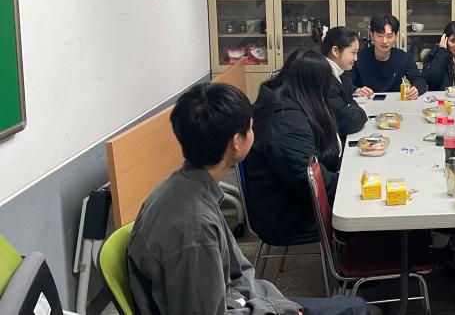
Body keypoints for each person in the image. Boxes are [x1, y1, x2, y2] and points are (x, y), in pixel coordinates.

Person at [127, 82, 368, 315]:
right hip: (236, 305)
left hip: (241, 299)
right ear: (236, 143)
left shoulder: (181, 187)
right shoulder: (194, 228)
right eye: (251, 128)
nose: (254, 133)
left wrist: (272, 303)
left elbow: (235, 276)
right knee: (355, 308)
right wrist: (278, 308)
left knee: (351, 306)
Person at [245, 49, 342, 245]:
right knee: (372, 213)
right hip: (287, 217)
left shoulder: (286, 103)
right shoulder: (286, 122)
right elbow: (308, 180)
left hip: (291, 201)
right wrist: (349, 183)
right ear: (313, 84)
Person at [347, 14, 426, 99]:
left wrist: (416, 89)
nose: (385, 41)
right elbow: (345, 82)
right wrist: (356, 90)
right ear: (372, 35)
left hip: (394, 102)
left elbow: (419, 80)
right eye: (380, 36)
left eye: (389, 36)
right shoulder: (358, 57)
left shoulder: (404, 57)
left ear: (396, 36)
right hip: (366, 102)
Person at [323, 27, 371, 140]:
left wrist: (354, 110)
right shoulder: (325, 78)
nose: (356, 58)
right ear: (335, 51)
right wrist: (360, 113)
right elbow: (348, 122)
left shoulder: (342, 74)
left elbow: (351, 106)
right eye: (353, 53)